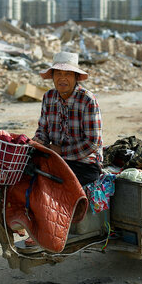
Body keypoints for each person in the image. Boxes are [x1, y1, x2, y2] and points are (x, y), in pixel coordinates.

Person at [32, 51, 103, 186]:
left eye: (68, 74)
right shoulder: (49, 97)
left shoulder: (87, 100)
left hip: (84, 163)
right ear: (52, 77)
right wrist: (39, 141)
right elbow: (43, 129)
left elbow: (93, 143)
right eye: (58, 74)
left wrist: (62, 151)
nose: (62, 78)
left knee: (51, 183)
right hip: (56, 158)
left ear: (76, 77)